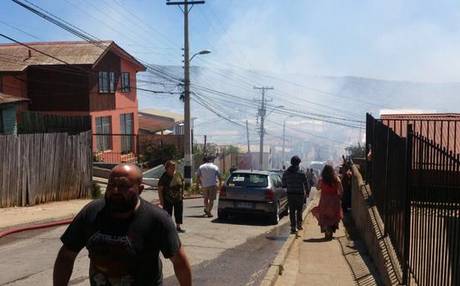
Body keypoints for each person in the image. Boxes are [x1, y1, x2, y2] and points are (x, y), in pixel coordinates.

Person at [53, 164, 192, 286]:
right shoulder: (91, 212)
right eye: (111, 185)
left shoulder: (157, 219)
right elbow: (66, 256)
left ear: (140, 189)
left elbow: (179, 262)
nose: (115, 191)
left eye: (124, 186)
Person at [313, 164, 343, 240]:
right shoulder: (336, 179)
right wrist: (339, 196)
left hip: (324, 200)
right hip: (334, 200)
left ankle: (326, 228)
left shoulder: (322, 180)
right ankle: (330, 230)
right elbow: (341, 190)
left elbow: (317, 188)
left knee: (324, 215)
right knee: (333, 216)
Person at [282, 155, 308, 234]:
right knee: (299, 210)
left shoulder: (286, 173)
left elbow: (284, 184)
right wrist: (307, 192)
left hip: (290, 194)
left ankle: (293, 227)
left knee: (292, 211)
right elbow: (306, 184)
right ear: (298, 163)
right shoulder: (301, 173)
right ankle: (299, 224)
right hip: (300, 194)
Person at [158, 160, 186, 233]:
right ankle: (168, 228)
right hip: (167, 199)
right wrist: (161, 201)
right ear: (167, 168)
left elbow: (182, 183)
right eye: (172, 167)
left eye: (174, 167)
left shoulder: (178, 174)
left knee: (179, 213)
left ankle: (178, 227)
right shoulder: (164, 176)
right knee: (167, 214)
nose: (174, 168)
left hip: (178, 198)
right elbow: (160, 189)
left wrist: (183, 193)